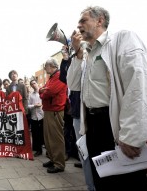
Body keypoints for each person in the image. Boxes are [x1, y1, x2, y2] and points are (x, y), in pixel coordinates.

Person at [67, 6, 147, 191]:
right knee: (103, 182)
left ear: (100, 20)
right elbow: (73, 84)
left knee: (127, 183)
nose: (78, 25)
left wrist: (132, 135)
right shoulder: (87, 54)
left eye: (83, 20)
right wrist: (77, 54)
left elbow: (138, 87)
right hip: (93, 127)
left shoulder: (122, 39)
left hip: (114, 124)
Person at [60, 45, 95, 191]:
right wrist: (67, 58)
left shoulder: (92, 59)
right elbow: (65, 79)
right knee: (84, 150)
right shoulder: (74, 60)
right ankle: (90, 185)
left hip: (91, 110)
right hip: (77, 111)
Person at [39, 58, 67, 173]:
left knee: (55, 138)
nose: (45, 69)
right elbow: (42, 90)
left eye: (46, 66)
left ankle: (59, 164)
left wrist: (43, 92)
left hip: (55, 110)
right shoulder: (51, 77)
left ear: (52, 66)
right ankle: (53, 159)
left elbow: (49, 92)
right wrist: (43, 91)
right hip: (49, 110)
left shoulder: (59, 76)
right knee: (48, 138)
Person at [28, 79, 44, 157]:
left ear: (37, 84)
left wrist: (41, 104)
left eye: (34, 83)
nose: (33, 85)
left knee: (43, 134)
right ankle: (38, 150)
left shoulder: (42, 92)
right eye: (32, 84)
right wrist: (34, 105)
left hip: (42, 115)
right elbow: (28, 105)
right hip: (34, 116)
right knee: (35, 134)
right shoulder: (31, 95)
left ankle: (48, 150)